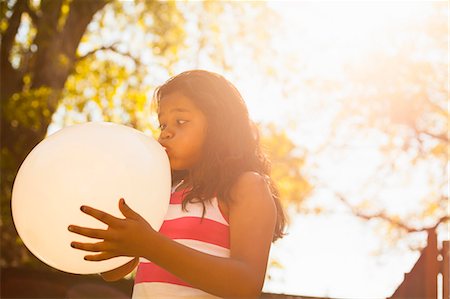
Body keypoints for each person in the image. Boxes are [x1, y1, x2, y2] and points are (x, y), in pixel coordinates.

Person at [68, 70, 286, 298]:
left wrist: (150, 245)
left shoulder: (246, 186)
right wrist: (116, 234)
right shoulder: (160, 192)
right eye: (162, 125)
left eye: (180, 121)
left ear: (219, 125)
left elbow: (245, 286)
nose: (166, 134)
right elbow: (114, 272)